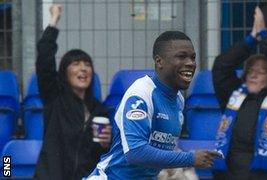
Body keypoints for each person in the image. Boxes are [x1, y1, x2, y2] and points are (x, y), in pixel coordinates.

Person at [86, 31, 218, 179]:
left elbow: (161, 149)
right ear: (159, 61)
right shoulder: (141, 94)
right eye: (181, 57)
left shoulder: (179, 101)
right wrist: (191, 159)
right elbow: (136, 153)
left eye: (192, 58)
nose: (190, 63)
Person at [212, 7, 267, 180]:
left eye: (260, 71)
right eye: (250, 70)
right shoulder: (234, 96)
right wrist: (251, 39)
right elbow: (222, 66)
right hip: (233, 175)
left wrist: (264, 38)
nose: (253, 74)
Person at [34, 4, 112, 180]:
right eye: (76, 64)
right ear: (64, 72)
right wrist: (54, 20)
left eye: (87, 64)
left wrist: (106, 143)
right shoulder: (54, 98)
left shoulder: (99, 110)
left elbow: (102, 156)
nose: (83, 69)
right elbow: (45, 57)